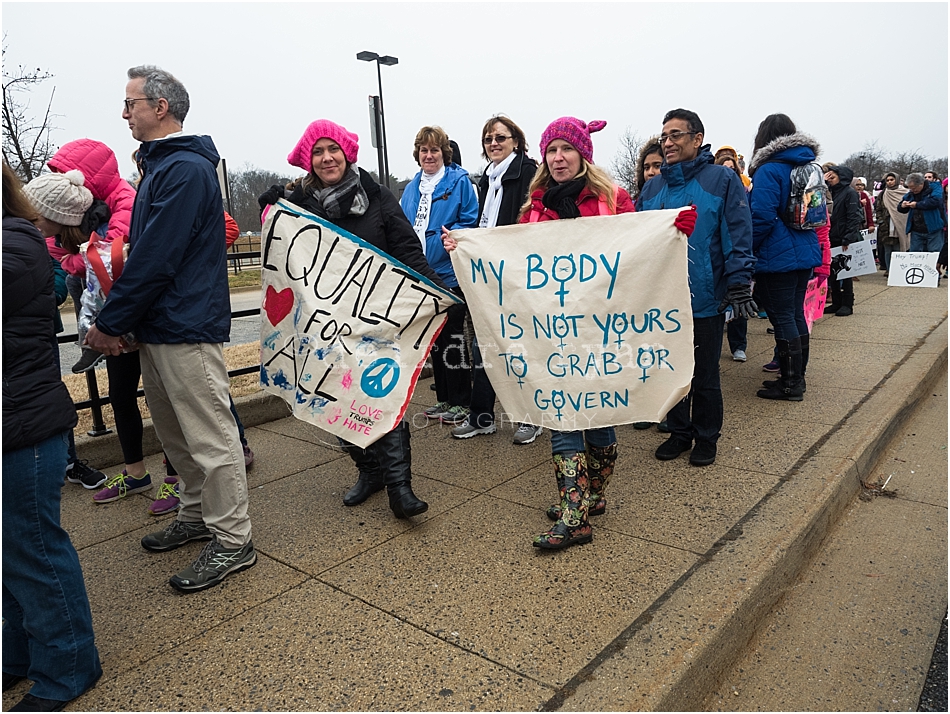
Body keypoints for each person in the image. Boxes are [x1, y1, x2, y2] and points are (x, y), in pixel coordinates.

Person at [85, 65, 254, 593]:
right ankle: (197, 514)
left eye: (130, 102)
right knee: (179, 434)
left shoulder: (181, 169)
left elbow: (156, 257)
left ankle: (232, 539)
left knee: (209, 436)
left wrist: (111, 322)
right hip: (162, 325)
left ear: (160, 107)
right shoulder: (162, 167)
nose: (124, 112)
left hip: (184, 324)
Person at [259, 118, 447, 517]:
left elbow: (406, 250)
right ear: (309, 161)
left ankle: (400, 489)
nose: (327, 158)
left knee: (383, 398)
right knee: (335, 400)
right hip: (325, 325)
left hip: (377, 321)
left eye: (333, 150)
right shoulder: (300, 204)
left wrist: (441, 292)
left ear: (347, 153)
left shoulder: (377, 196)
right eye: (318, 152)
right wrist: (271, 211)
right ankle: (369, 471)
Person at [3, 161, 103, 712]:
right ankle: (16, 653)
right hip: (15, 419)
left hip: (21, 424)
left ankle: (69, 665)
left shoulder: (13, 249)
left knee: (33, 548)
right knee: (11, 551)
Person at [638, 108, 756, 467]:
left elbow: (737, 231)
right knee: (670, 370)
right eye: (664, 136)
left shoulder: (721, 180)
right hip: (664, 299)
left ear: (696, 138)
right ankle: (679, 431)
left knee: (704, 375)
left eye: (676, 135)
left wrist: (738, 280)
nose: (668, 142)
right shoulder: (654, 186)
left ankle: (707, 436)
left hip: (704, 295)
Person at [450, 115, 542, 444]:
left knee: (523, 348)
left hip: (518, 276)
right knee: (483, 346)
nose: (494, 144)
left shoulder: (529, 173)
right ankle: (482, 416)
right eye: (488, 139)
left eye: (500, 138)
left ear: (516, 141)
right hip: (488, 276)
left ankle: (531, 416)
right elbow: (484, 226)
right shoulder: (489, 179)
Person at [23, 170, 109, 491]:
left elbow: (59, 275)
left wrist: (42, 294)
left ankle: (69, 461)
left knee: (51, 393)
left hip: (36, 328)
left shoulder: (34, 230)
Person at [399, 127, 479, 427]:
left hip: (449, 271)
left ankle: (462, 400)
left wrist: (451, 237)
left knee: (454, 336)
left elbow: (470, 219)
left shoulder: (459, 181)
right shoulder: (411, 187)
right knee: (434, 338)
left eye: (434, 150)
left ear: (443, 153)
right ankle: (444, 397)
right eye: (423, 150)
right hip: (420, 273)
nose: (428, 155)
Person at [746, 114, 822, 401]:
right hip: (804, 248)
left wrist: (748, 250)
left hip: (776, 255)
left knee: (782, 318)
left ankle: (790, 384)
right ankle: (796, 377)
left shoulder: (768, 169)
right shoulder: (804, 165)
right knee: (796, 315)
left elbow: (761, 216)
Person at [715, 151, 751, 363]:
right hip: (717, 260)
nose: (728, 171)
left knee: (738, 304)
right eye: (724, 167)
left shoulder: (745, 191)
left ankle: (739, 345)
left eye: (732, 168)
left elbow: (743, 228)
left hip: (735, 258)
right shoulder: (713, 191)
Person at [823, 165, 863, 317]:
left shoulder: (850, 193)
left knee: (845, 271)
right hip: (831, 235)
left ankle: (847, 303)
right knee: (832, 271)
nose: (830, 179)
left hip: (843, 237)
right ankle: (837, 302)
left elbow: (853, 216)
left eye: (833, 177)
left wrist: (848, 237)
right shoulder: (831, 191)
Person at [898, 172, 946, 254]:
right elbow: (900, 208)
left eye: (914, 188)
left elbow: (935, 202)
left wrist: (917, 204)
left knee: (935, 254)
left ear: (921, 183)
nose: (912, 190)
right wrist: (902, 206)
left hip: (934, 228)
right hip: (916, 230)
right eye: (910, 188)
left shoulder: (935, 188)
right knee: (915, 254)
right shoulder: (911, 193)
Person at [874, 172, 907, 272]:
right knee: (887, 250)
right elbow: (878, 208)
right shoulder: (883, 193)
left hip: (900, 224)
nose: (889, 182)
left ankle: (897, 270)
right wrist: (881, 220)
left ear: (896, 180)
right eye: (887, 180)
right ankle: (889, 270)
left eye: (892, 180)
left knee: (898, 248)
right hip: (886, 225)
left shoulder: (904, 192)